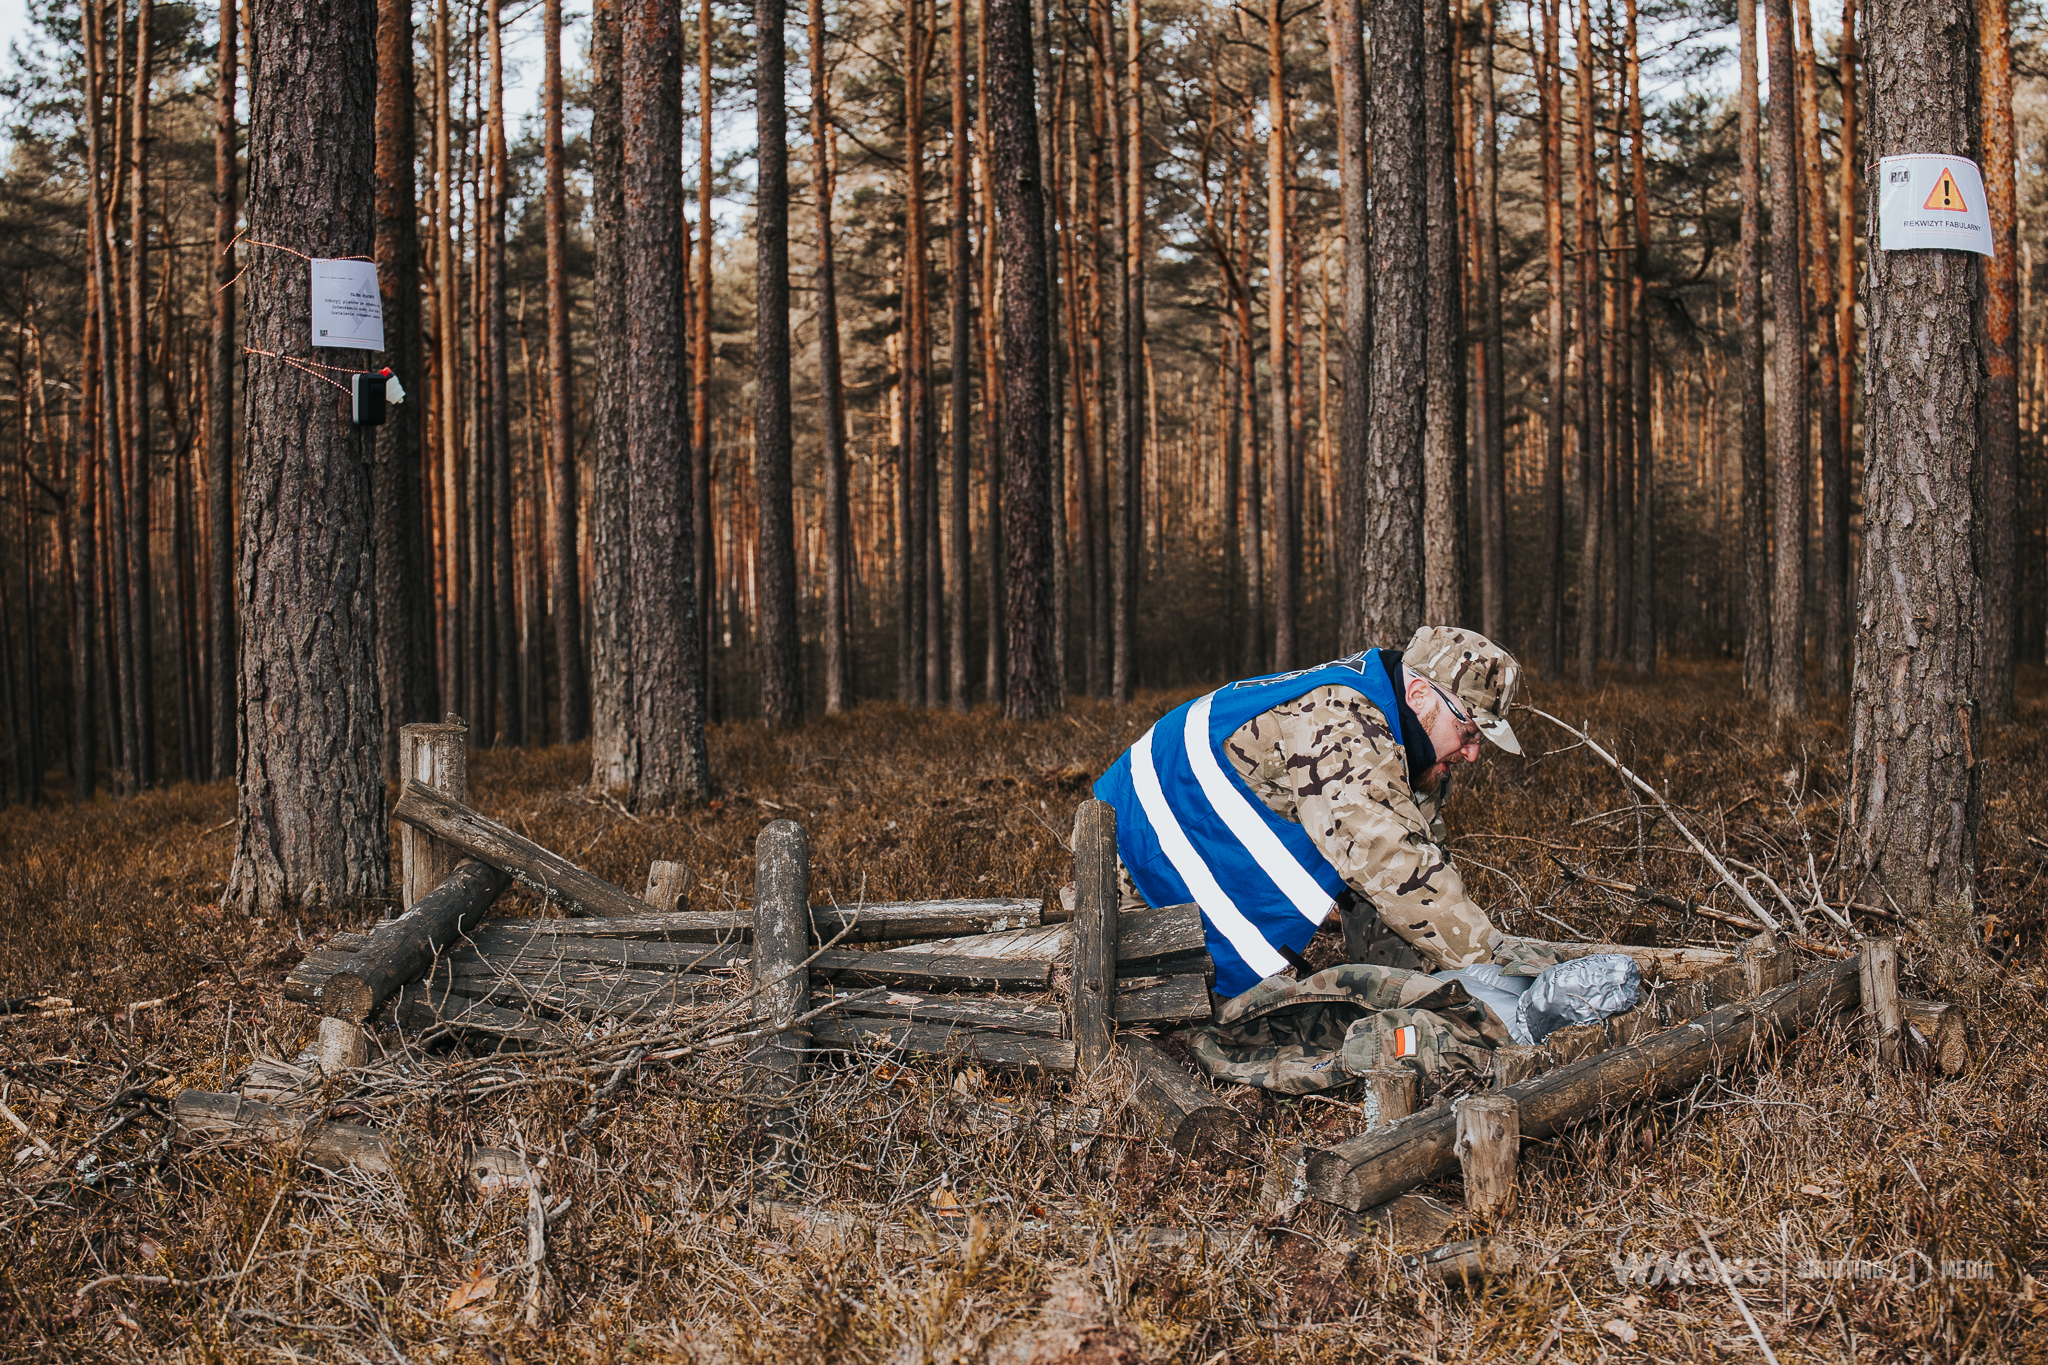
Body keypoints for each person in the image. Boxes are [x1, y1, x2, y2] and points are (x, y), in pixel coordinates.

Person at [1091, 625, 1546, 1003]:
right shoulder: (1343, 727)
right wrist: (1501, 972)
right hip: (1135, 862)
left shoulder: (1409, 743)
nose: (1472, 754)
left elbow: (1416, 864)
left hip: (1179, 845)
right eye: (1468, 729)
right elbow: (1390, 863)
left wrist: (1425, 986)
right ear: (1422, 695)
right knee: (1194, 1016)